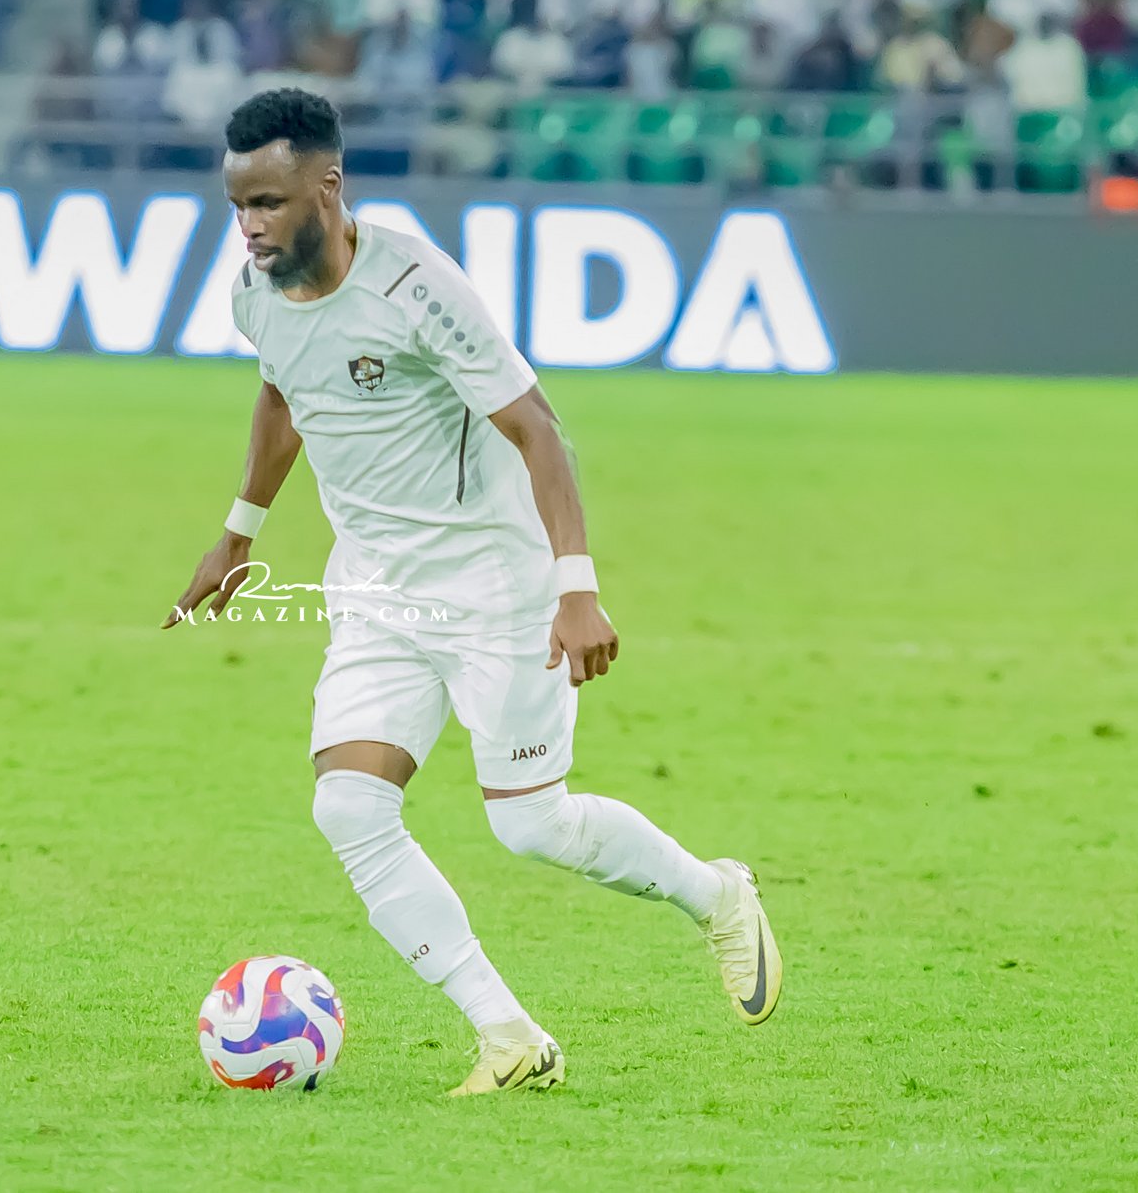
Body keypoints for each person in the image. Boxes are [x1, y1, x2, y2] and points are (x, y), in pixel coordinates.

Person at [163, 88, 782, 1095]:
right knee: (348, 806)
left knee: (529, 825)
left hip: (496, 582)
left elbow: (537, 426)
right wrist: (237, 534)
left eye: (268, 202)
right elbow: (282, 391)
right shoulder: (253, 294)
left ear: (327, 187)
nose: (250, 226)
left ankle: (715, 895)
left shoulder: (417, 287)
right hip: (376, 589)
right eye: (238, 205)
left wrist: (576, 588)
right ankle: (507, 1037)